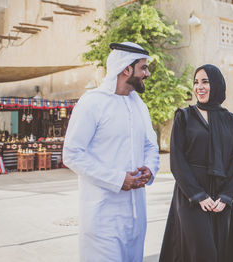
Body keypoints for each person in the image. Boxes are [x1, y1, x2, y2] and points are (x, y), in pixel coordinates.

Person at [63, 42, 160, 262]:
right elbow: (72, 153)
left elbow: (151, 145)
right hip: (102, 217)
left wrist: (150, 169)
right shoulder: (92, 103)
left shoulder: (139, 105)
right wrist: (117, 179)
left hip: (136, 217)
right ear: (126, 69)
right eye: (143, 68)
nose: (147, 73)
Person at [159, 64, 233, 262]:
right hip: (191, 196)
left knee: (222, 250)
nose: (199, 87)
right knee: (201, 252)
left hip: (221, 198)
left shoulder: (231, 121)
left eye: (205, 81)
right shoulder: (184, 117)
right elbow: (177, 160)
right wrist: (198, 195)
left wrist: (227, 197)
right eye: (196, 82)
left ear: (217, 84)